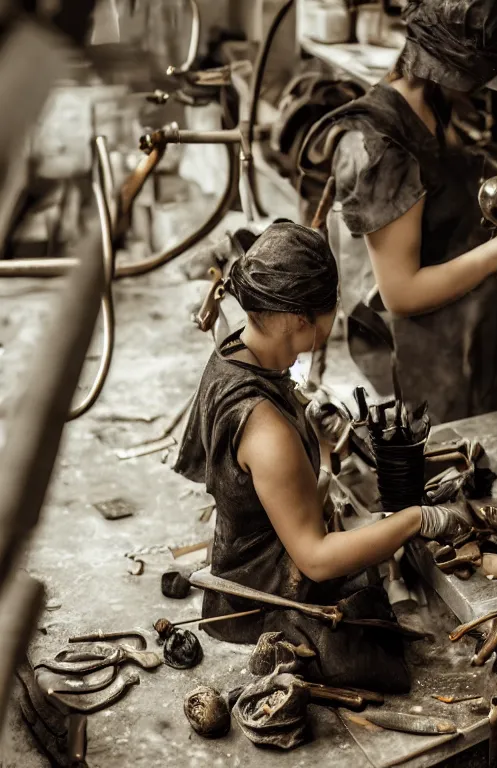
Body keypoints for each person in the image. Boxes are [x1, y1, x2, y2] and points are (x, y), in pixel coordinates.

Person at [174, 221, 470, 693]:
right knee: (388, 658)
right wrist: (418, 519)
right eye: (331, 304)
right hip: (262, 599)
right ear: (299, 319)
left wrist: (313, 431)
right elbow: (315, 560)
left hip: (241, 560)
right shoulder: (266, 428)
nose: (336, 313)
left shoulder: (234, 351)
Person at [300, 0, 497, 423]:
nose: (479, 90)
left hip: (466, 316)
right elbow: (401, 294)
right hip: (420, 344)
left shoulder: (431, 103)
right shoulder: (383, 148)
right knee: (444, 457)